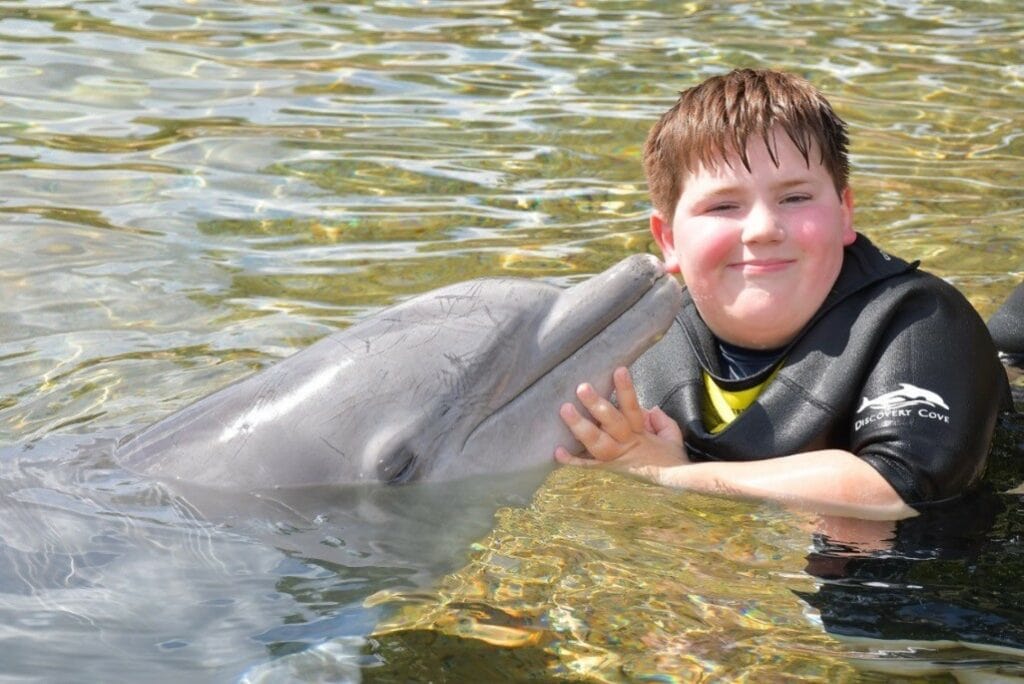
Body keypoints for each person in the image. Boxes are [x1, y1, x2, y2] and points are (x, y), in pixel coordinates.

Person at [554, 68, 1011, 520]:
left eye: (794, 198)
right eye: (722, 206)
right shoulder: (645, 345)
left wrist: (672, 474)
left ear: (845, 213)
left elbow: (897, 487)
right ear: (668, 239)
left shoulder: (919, 321)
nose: (763, 229)